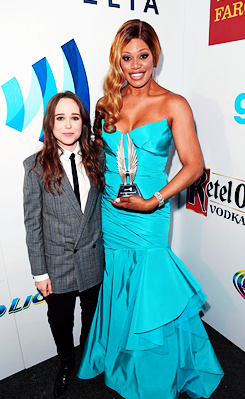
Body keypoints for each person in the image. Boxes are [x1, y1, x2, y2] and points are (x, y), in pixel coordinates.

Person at [78, 20, 223, 399]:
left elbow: (193, 165)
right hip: (113, 215)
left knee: (150, 288)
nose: (136, 65)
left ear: (155, 55)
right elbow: (103, 157)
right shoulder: (106, 103)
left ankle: (153, 377)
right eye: (127, 58)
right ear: (118, 61)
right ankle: (120, 361)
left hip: (150, 214)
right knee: (120, 282)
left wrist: (155, 200)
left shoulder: (174, 103)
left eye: (143, 55)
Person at [23, 91, 104, 398]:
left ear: (84, 122)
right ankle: (67, 362)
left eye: (75, 117)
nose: (68, 125)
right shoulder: (35, 167)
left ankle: (87, 357)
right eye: (60, 118)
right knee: (60, 320)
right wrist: (39, 271)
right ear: (50, 123)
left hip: (93, 259)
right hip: (56, 264)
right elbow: (33, 223)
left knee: (92, 315)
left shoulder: (98, 158)